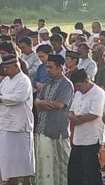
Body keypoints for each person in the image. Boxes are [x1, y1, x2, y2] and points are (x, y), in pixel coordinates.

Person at [0, 54, 35, 185]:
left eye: (7, 68)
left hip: (20, 125)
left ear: (16, 66)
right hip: (5, 124)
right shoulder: (6, 80)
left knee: (23, 159)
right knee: (8, 158)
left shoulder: (24, 80)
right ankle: (11, 181)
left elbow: (19, 98)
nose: (5, 70)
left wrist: (1, 99)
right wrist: (0, 98)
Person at [34, 54, 74, 185]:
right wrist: (42, 103)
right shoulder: (48, 84)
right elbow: (37, 101)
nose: (47, 70)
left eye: (50, 67)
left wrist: (42, 103)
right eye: (46, 67)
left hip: (58, 131)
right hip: (43, 129)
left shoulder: (66, 85)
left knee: (62, 164)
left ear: (60, 68)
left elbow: (60, 105)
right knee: (44, 164)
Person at [67, 69, 105, 185]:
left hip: (92, 139)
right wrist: (75, 118)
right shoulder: (78, 93)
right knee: (74, 172)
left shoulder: (98, 93)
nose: (77, 89)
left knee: (91, 173)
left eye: (79, 85)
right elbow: (70, 111)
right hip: (78, 139)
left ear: (86, 81)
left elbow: (94, 114)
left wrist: (78, 120)